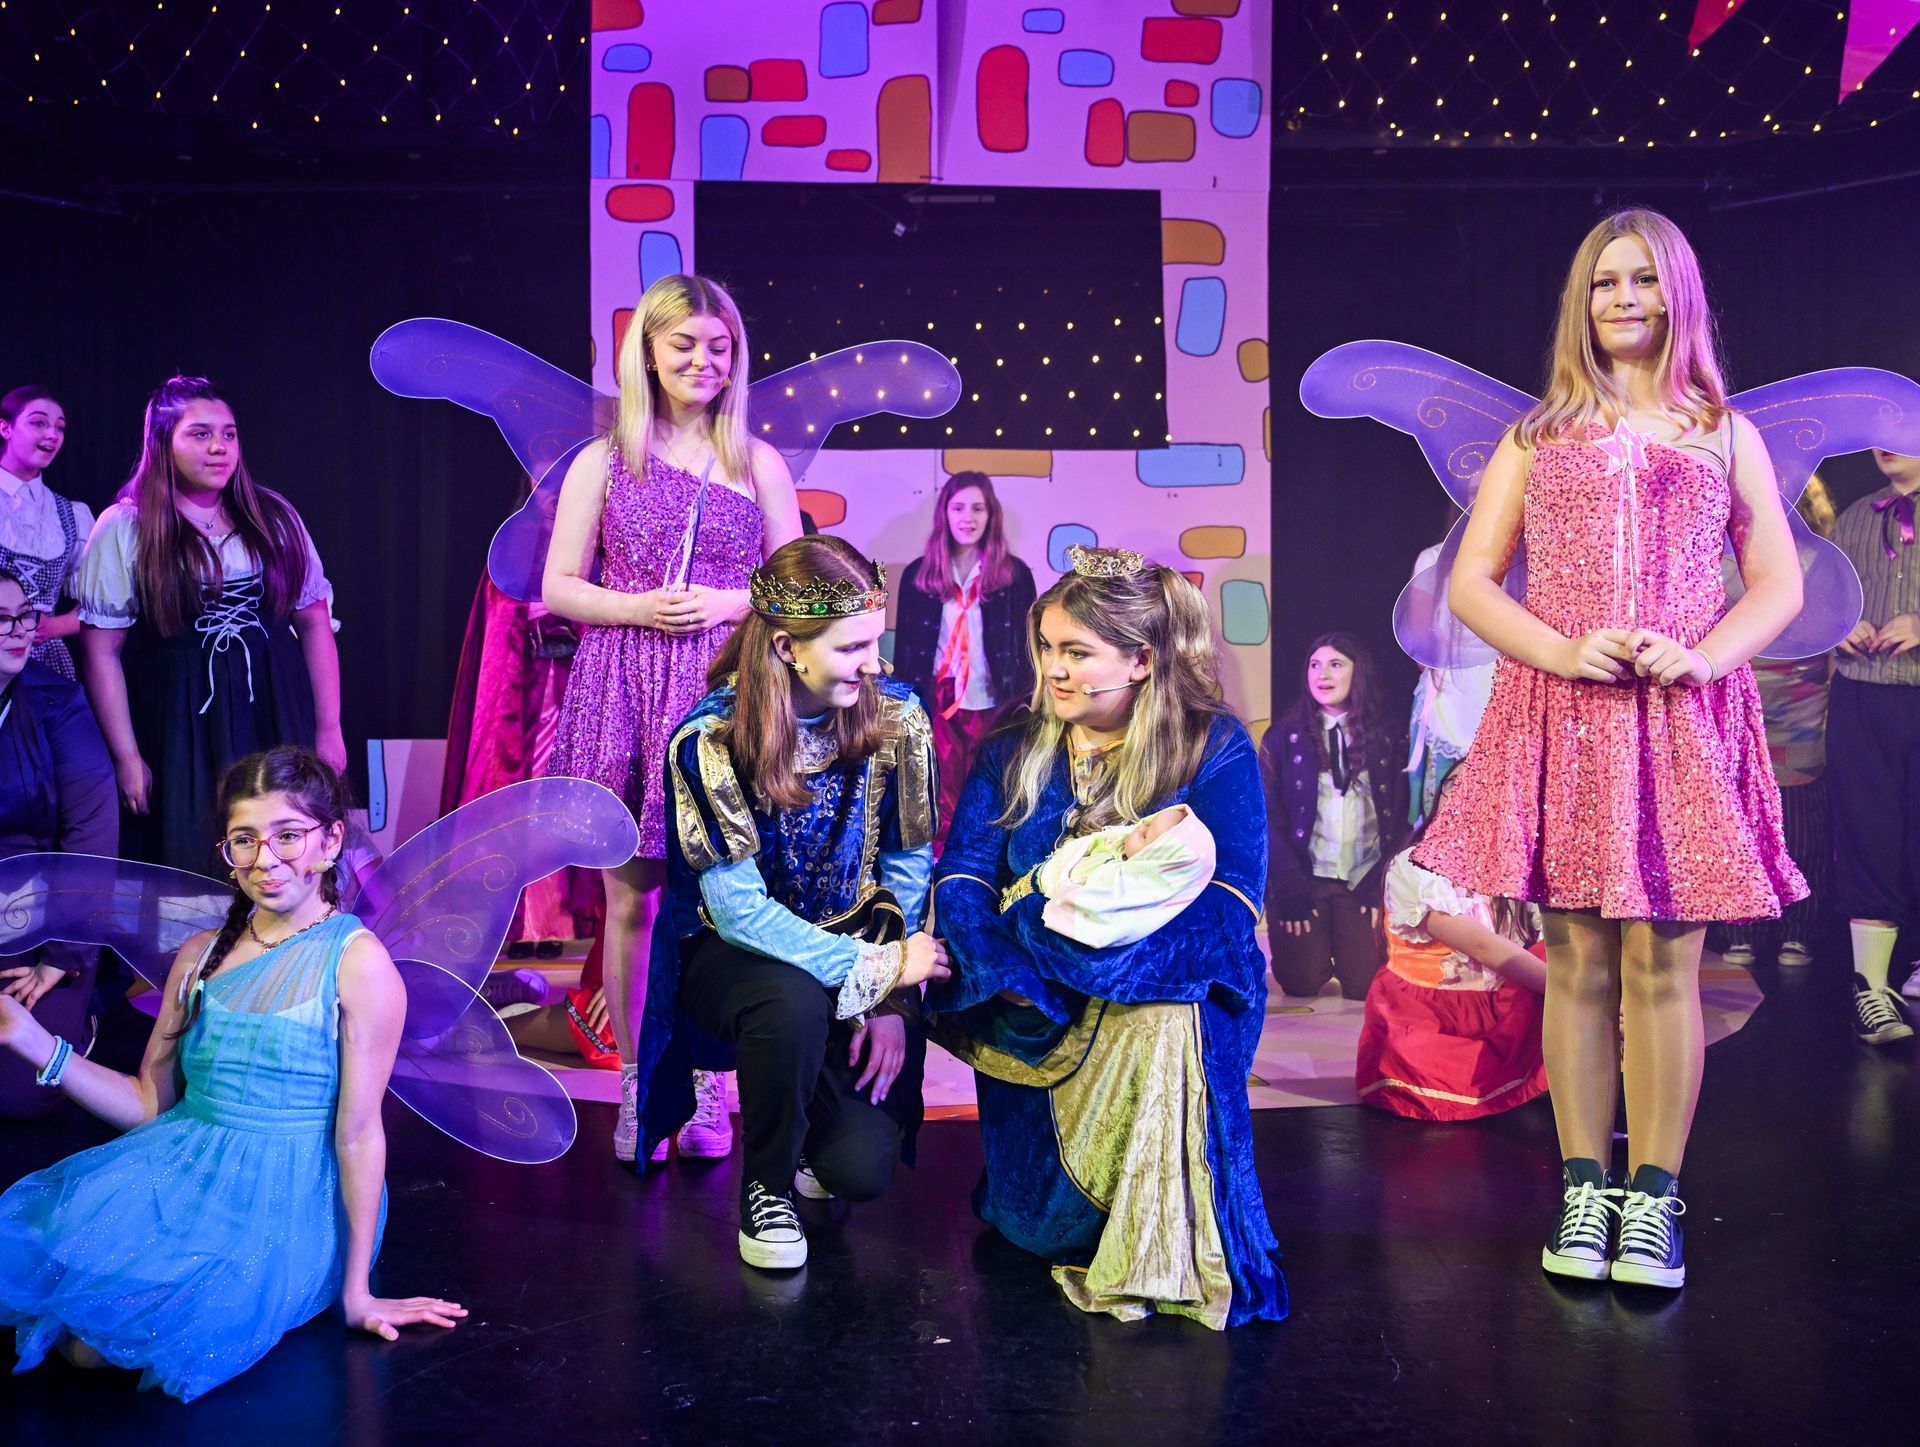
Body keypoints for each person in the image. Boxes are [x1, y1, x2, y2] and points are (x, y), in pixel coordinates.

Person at [1414, 209, 1806, 1290]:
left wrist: (1703, 654)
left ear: (1679, 295)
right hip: (1567, 715)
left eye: (1643, 280)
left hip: (1679, 718)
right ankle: (1585, 1188)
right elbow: (1472, 581)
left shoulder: (1725, 432)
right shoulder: (1538, 435)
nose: (1623, 299)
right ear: (1580, 303)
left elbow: (1778, 582)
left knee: (1662, 963)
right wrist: (1561, 648)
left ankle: (1654, 1200)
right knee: (1579, 962)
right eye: (1603, 282)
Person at [0, 747, 462, 1402]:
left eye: (287, 835)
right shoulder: (199, 955)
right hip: (186, 1160)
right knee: (48, 1273)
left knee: (98, 1342)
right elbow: (146, 1102)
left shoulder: (357, 963)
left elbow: (359, 1134)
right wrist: (33, 1040)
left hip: (288, 1192)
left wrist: (358, 1291)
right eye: (245, 839)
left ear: (331, 841)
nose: (265, 860)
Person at [930, 545, 1286, 1329]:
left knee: (1168, 1016)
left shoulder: (1212, 743)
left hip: (1167, 975)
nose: (1054, 669)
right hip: (1033, 996)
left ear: (1142, 660)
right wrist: (1008, 970)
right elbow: (962, 878)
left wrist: (1107, 961)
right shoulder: (1011, 743)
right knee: (1035, 1227)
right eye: (1047, 647)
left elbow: (1232, 898)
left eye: (1077, 652)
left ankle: (1160, 1247)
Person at [632, 536, 948, 1270]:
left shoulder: (898, 716)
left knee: (860, 1170)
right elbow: (739, 912)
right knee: (790, 998)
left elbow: (908, 865)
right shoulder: (710, 738)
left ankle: (810, 1135)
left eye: (875, 641)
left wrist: (891, 1002)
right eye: (852, 648)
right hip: (738, 958)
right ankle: (766, 1188)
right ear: (786, 647)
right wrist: (877, 969)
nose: (874, 663)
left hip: (857, 943)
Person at [543, 273, 803, 1163]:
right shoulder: (603, 460)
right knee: (632, 897)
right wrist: (638, 608)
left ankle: (707, 1085)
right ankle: (636, 1079)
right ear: (648, 352)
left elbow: (796, 586)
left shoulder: (757, 461)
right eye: (684, 344)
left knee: (725, 897)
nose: (702, 361)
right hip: (624, 680)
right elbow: (559, 585)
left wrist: (729, 603)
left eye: (719, 347)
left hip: (724, 686)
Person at [74, 376, 343, 874]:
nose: (219, 447)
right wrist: (127, 756)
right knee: (193, 850)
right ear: (163, 442)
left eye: (229, 434)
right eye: (200, 434)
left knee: (285, 838)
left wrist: (329, 728)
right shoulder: (128, 526)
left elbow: (314, 625)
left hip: (274, 707)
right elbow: (101, 652)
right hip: (180, 719)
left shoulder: (273, 516)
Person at [0, 567, 117, 1117]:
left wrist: (61, 956)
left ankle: (85, 1006)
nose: (20, 631)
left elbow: (92, 838)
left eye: (24, 616)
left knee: (19, 1093)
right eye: (2, 620)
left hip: (45, 918)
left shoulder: (57, 702)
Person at [1713, 477, 1838, 976]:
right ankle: (1742, 927)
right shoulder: (1721, 557)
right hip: (1741, 704)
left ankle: (1799, 928)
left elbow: (1835, 626)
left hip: (1800, 711)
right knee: (1740, 821)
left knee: (1802, 826)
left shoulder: (1819, 561)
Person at [1358, 822, 1547, 1122]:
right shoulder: (1416, 865)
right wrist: (1583, 997)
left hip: (1504, 1007)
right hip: (1434, 1015)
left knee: (1564, 955)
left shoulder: (1517, 860)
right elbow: (1484, 948)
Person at [1263, 631, 1409, 1001]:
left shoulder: (1388, 737)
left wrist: (1380, 882)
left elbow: (1403, 817)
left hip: (1361, 877)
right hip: (1306, 878)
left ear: (1358, 672)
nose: (1322, 674)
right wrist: (1288, 885)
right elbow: (1268, 817)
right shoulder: (1284, 737)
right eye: (1314, 665)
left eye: (1335, 664)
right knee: (1300, 982)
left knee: (1364, 985)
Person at [892, 471, 1036, 845]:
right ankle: (941, 855)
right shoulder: (918, 574)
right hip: (940, 697)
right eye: (958, 508)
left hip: (995, 697)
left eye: (977, 508)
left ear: (991, 515)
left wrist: (1029, 701)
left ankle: (982, 852)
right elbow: (905, 647)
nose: (967, 518)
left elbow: (1029, 647)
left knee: (991, 782)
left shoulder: (1015, 575)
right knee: (939, 784)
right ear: (945, 513)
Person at [1831, 448, 1920, 1042]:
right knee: (1867, 833)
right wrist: (1841, 626)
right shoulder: (1855, 517)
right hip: (1862, 698)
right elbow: (1818, 603)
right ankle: (1872, 988)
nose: (1885, 445)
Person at [1017, 803, 1215, 949]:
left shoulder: (1121, 886)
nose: (1139, 827)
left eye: (1145, 835)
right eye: (1148, 823)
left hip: (1039, 904)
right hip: (1032, 879)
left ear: (1151, 863)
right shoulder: (1121, 840)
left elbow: (1096, 908)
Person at [0, 385, 92, 679]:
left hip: (43, 661)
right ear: (5, 428)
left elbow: (98, 605)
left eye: (59, 427)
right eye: (39, 423)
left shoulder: (71, 515)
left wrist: (54, 626)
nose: (52, 434)